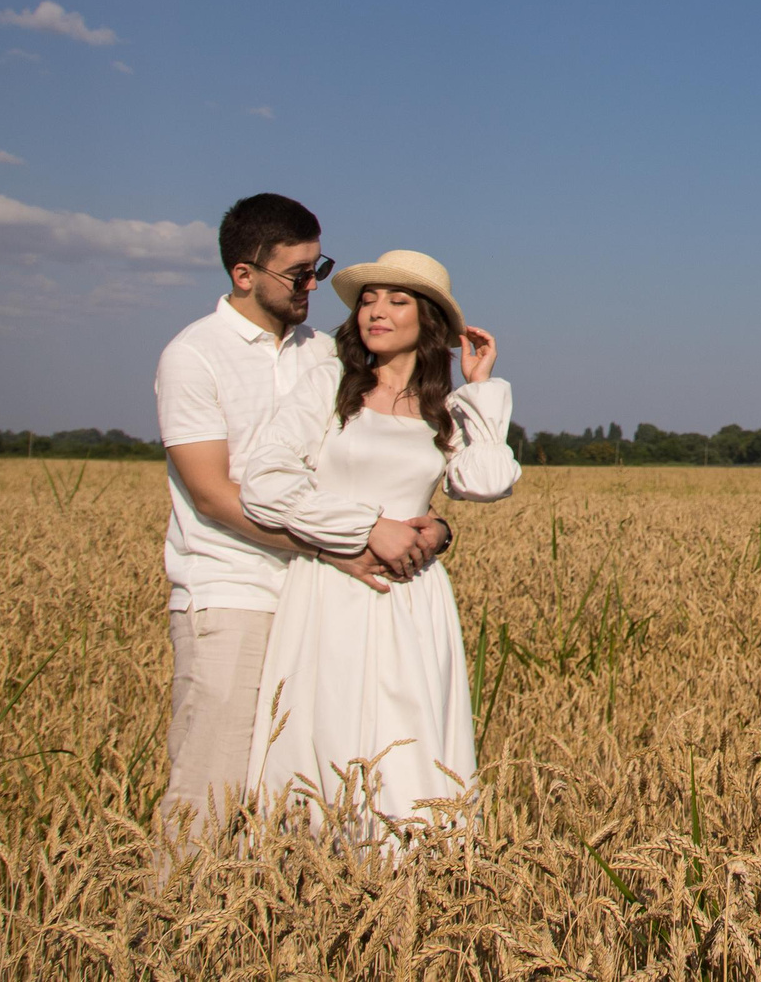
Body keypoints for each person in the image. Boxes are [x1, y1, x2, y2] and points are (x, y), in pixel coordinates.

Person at [154, 195, 450, 842]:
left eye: (321, 267)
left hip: (311, 604)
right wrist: (337, 546)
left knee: (297, 795)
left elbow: (373, 461)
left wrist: (435, 528)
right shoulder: (194, 356)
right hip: (231, 595)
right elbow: (211, 493)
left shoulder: (323, 354)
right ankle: (177, 930)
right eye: (298, 273)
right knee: (213, 790)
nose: (314, 285)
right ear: (243, 274)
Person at [238, 248, 520, 835]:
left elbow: (488, 482)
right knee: (328, 733)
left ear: (430, 321)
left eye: (398, 300)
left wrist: (481, 386)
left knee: (410, 740)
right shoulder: (331, 383)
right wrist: (368, 527)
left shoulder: (443, 409)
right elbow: (266, 481)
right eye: (369, 299)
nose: (377, 311)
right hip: (333, 586)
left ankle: (413, 893)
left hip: (412, 599)